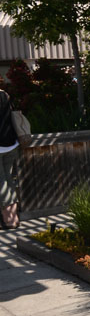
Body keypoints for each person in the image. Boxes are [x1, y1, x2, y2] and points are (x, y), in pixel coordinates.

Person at [0, 90, 20, 229]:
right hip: (11, 144)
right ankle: (14, 217)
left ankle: (9, 220)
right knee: (8, 180)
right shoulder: (5, 94)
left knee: (2, 184)